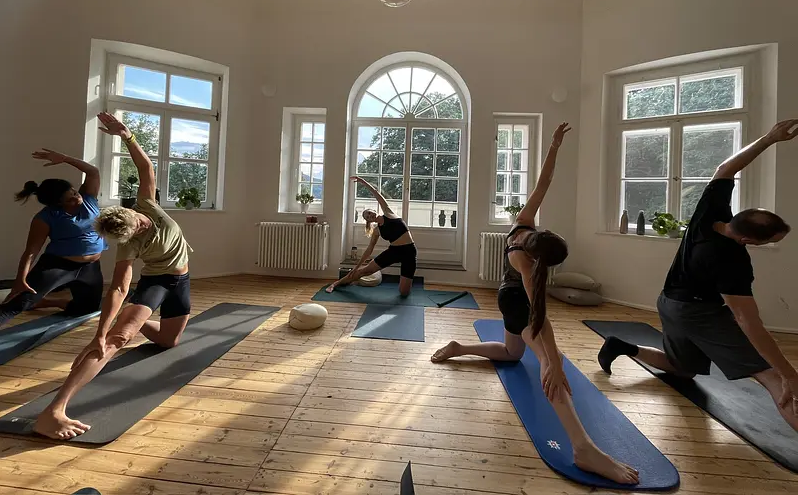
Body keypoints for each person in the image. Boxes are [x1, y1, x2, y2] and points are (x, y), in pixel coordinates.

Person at [431, 123, 639, 485]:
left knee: (513, 354)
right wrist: (553, 360)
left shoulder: (523, 223)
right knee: (545, 366)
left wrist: (554, 147)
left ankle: (458, 346)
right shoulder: (524, 265)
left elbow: (543, 183)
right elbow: (539, 316)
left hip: (507, 296)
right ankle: (583, 448)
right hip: (514, 300)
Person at [598, 119, 798, 433]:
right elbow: (749, 322)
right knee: (771, 375)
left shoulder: (710, 215)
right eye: (770, 241)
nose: (770, 244)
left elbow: (726, 167)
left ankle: (623, 347)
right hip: (697, 312)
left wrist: (769, 138)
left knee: (683, 369)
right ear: (748, 240)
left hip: (668, 302)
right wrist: (789, 372)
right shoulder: (732, 261)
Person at [32, 112, 192, 440]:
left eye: (141, 222)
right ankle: (54, 411)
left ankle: (124, 322)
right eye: (140, 230)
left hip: (183, 281)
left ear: (133, 212)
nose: (145, 226)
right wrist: (103, 332)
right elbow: (119, 287)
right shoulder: (128, 246)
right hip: (158, 283)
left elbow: (146, 167)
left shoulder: (145, 205)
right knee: (118, 339)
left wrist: (127, 135)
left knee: (168, 340)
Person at [0, 150, 107, 327]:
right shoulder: (45, 217)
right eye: (70, 199)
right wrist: (21, 279)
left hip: (91, 268)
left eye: (74, 191)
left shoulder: (88, 198)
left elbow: (93, 172)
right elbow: (31, 251)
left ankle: (46, 302)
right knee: (16, 304)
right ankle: (30, 300)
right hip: (58, 266)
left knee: (87, 309)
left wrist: (65, 159)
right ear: (58, 204)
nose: (76, 198)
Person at [326, 176, 416, 297]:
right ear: (369, 221)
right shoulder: (377, 230)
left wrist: (363, 182)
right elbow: (369, 250)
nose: (369, 216)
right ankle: (336, 284)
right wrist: (356, 266)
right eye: (367, 217)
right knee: (365, 271)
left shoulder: (388, 213)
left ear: (373, 210)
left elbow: (376, 193)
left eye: (369, 213)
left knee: (404, 292)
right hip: (394, 251)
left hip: (409, 251)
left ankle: (406, 283)